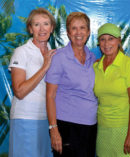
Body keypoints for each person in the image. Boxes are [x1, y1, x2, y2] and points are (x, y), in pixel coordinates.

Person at [45, 12, 97, 157]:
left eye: (82, 28)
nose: (78, 32)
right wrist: (53, 128)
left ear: (88, 32)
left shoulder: (93, 58)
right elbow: (50, 96)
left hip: (91, 126)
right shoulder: (59, 58)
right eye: (74, 28)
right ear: (68, 33)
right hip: (66, 126)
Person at [8, 8, 56, 157]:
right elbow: (20, 92)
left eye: (46, 24)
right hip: (25, 118)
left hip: (48, 121)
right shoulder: (21, 52)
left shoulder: (54, 52)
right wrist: (45, 66)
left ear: (52, 28)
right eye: (36, 24)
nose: (42, 29)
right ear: (30, 29)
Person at [93, 23, 130, 157]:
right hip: (103, 130)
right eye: (102, 39)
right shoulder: (95, 67)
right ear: (98, 43)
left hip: (125, 128)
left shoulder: (129, 65)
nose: (106, 43)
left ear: (119, 41)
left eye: (111, 38)